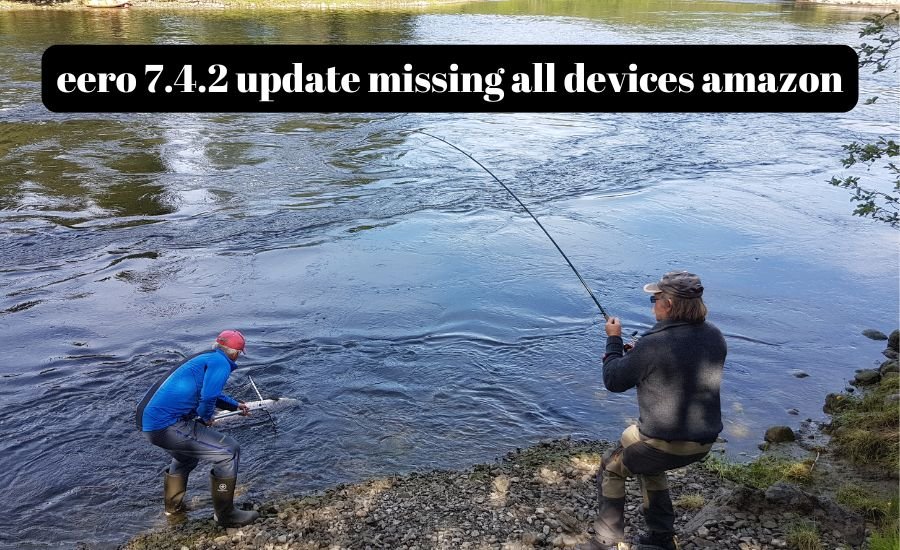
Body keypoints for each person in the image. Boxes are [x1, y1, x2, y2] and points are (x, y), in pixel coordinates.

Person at [578, 271, 726, 550]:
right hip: (704, 442)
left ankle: (605, 540)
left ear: (668, 305)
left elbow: (614, 380)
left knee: (611, 465)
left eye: (654, 299)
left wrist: (614, 343)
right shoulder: (715, 336)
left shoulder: (654, 344)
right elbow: (681, 363)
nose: (653, 304)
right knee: (646, 462)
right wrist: (637, 354)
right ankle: (660, 538)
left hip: (666, 444)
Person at [135, 329, 260, 527]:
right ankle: (226, 515)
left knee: (186, 457)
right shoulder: (221, 363)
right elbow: (209, 397)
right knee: (228, 451)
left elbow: (209, 393)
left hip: (147, 420)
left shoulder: (207, 357)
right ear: (236, 353)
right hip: (164, 424)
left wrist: (234, 405)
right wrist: (207, 416)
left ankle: (172, 510)